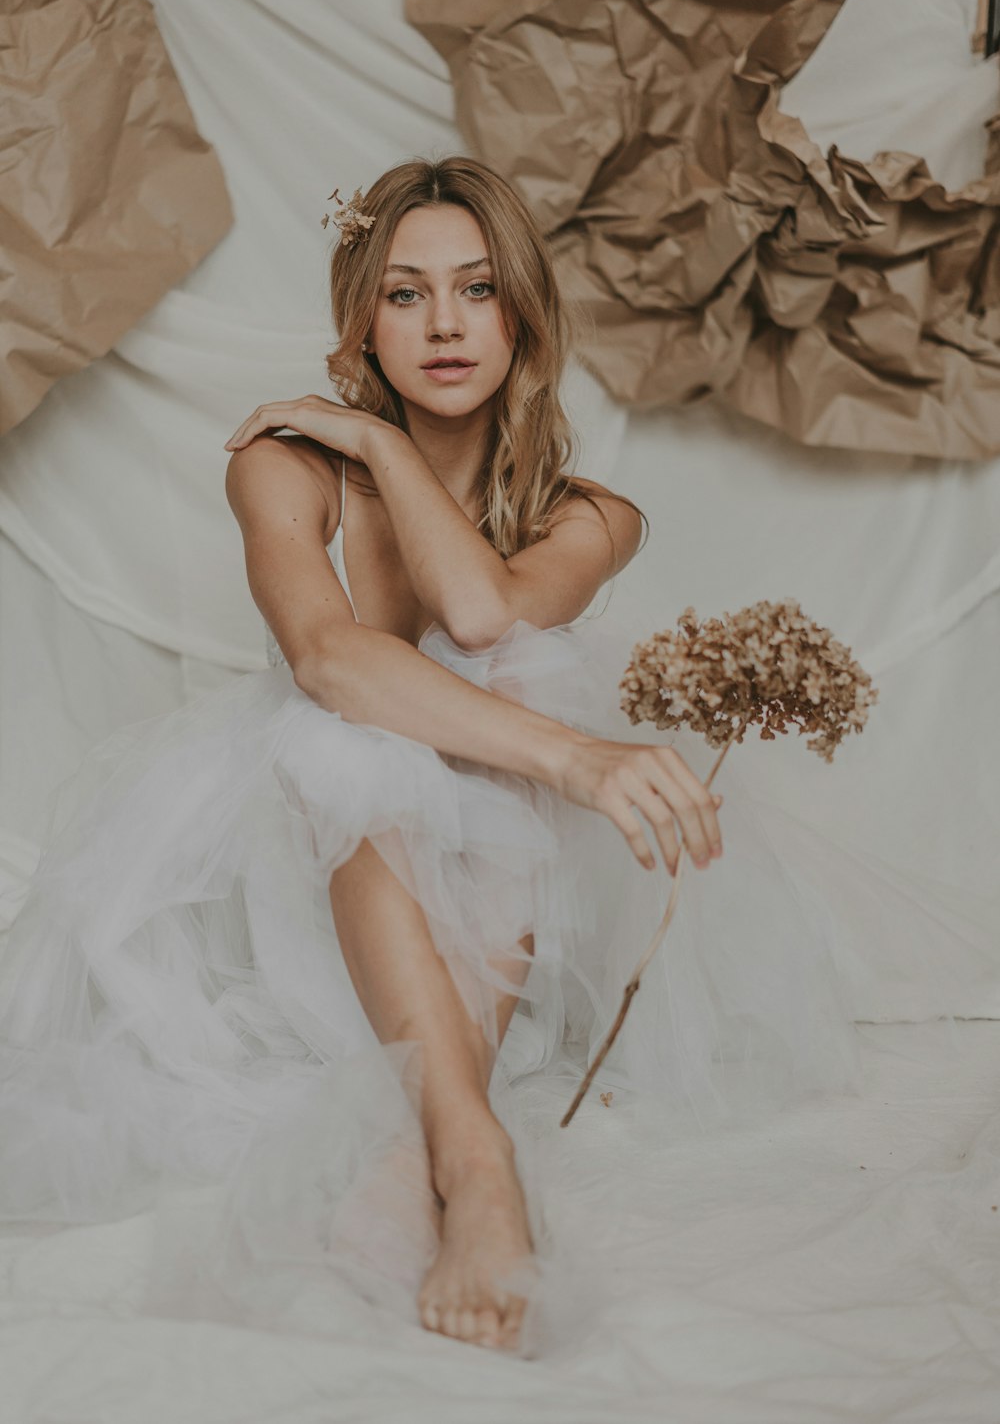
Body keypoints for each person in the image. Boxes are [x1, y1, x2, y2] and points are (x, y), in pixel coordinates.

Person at [0, 155, 858, 1358]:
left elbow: (485, 618)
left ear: (523, 314)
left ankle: (427, 1138)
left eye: (476, 289)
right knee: (357, 731)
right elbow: (330, 662)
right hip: (296, 866)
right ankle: (478, 1149)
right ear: (362, 319)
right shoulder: (283, 464)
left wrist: (388, 449)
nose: (445, 324)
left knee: (507, 676)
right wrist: (575, 756)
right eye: (404, 295)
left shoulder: (590, 514)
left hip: (500, 888)